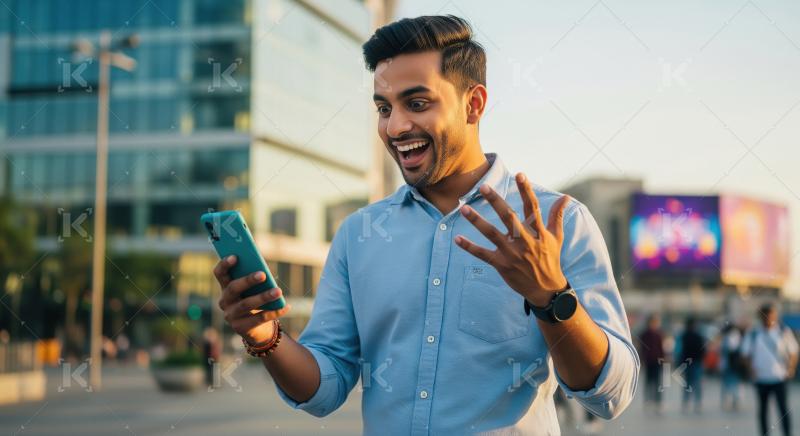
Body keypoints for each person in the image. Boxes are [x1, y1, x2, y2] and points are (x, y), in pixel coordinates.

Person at [213, 15, 639, 434]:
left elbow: (610, 395)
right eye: (384, 108)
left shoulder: (555, 223)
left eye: (417, 104)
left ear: (473, 105)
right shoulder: (358, 234)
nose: (395, 127)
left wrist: (552, 299)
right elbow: (324, 389)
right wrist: (265, 334)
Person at [741, 303, 798, 436]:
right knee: (763, 410)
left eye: (771, 316)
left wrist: (791, 368)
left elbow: (794, 351)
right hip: (761, 378)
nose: (768, 319)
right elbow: (745, 354)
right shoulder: (753, 333)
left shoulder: (784, 331)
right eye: (765, 316)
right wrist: (751, 370)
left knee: (783, 409)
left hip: (779, 378)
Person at [638, 314, 665, 414]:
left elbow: (661, 349)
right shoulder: (645, 334)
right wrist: (641, 360)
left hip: (656, 362)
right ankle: (648, 401)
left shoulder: (659, 334)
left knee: (657, 383)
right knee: (648, 382)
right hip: (649, 361)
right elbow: (641, 349)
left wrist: (663, 360)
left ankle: (658, 402)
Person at [679, 316, 706, 414]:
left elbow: (681, 351)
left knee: (687, 384)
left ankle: (686, 402)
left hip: (687, 363)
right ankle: (697, 402)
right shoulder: (698, 336)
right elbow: (703, 350)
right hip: (696, 362)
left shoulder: (684, 336)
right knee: (697, 383)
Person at [719, 323, 744, 411]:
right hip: (734, 365)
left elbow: (727, 350)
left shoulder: (729, 337)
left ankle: (730, 402)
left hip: (729, 365)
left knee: (729, 384)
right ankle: (735, 401)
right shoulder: (738, 336)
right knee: (736, 383)